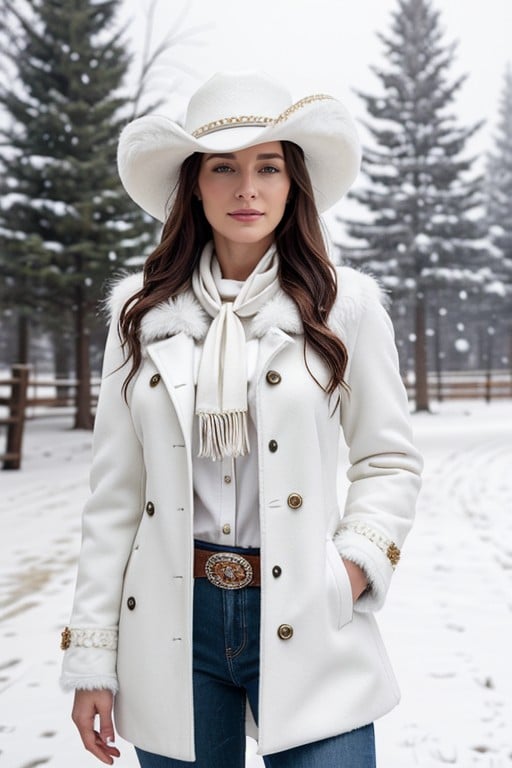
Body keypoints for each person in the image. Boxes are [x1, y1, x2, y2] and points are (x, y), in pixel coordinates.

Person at [60, 70, 423, 768]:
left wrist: (349, 569)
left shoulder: (345, 306)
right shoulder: (141, 315)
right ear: (193, 182)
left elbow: (389, 460)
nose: (247, 189)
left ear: (294, 184)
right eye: (224, 167)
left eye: (268, 166)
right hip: (173, 621)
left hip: (309, 613)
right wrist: (91, 658)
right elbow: (114, 498)